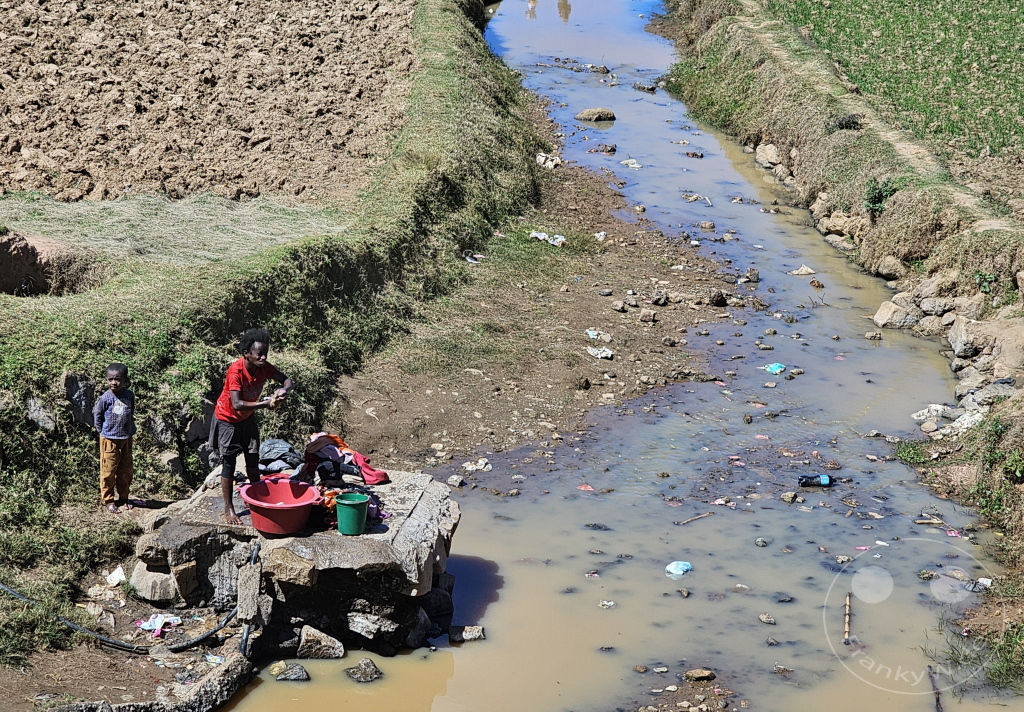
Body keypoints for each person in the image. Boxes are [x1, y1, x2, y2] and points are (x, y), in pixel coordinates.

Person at [211, 328, 293, 525]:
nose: (263, 358)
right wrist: (265, 404)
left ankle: (257, 497)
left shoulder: (264, 367)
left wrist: (284, 389)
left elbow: (286, 379)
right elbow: (237, 403)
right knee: (229, 464)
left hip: (247, 419)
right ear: (246, 353)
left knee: (253, 458)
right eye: (259, 354)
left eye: (266, 354)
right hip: (227, 420)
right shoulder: (236, 371)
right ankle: (229, 508)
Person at [93, 363, 143, 513]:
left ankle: (124, 497)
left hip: (126, 438)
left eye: (118, 379)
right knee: (108, 471)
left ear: (125, 380)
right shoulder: (105, 399)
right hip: (109, 439)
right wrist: (103, 432)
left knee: (126, 469)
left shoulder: (129, 395)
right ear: (106, 380)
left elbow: (131, 410)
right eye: (110, 379)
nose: (114, 382)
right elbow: (97, 416)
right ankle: (108, 500)